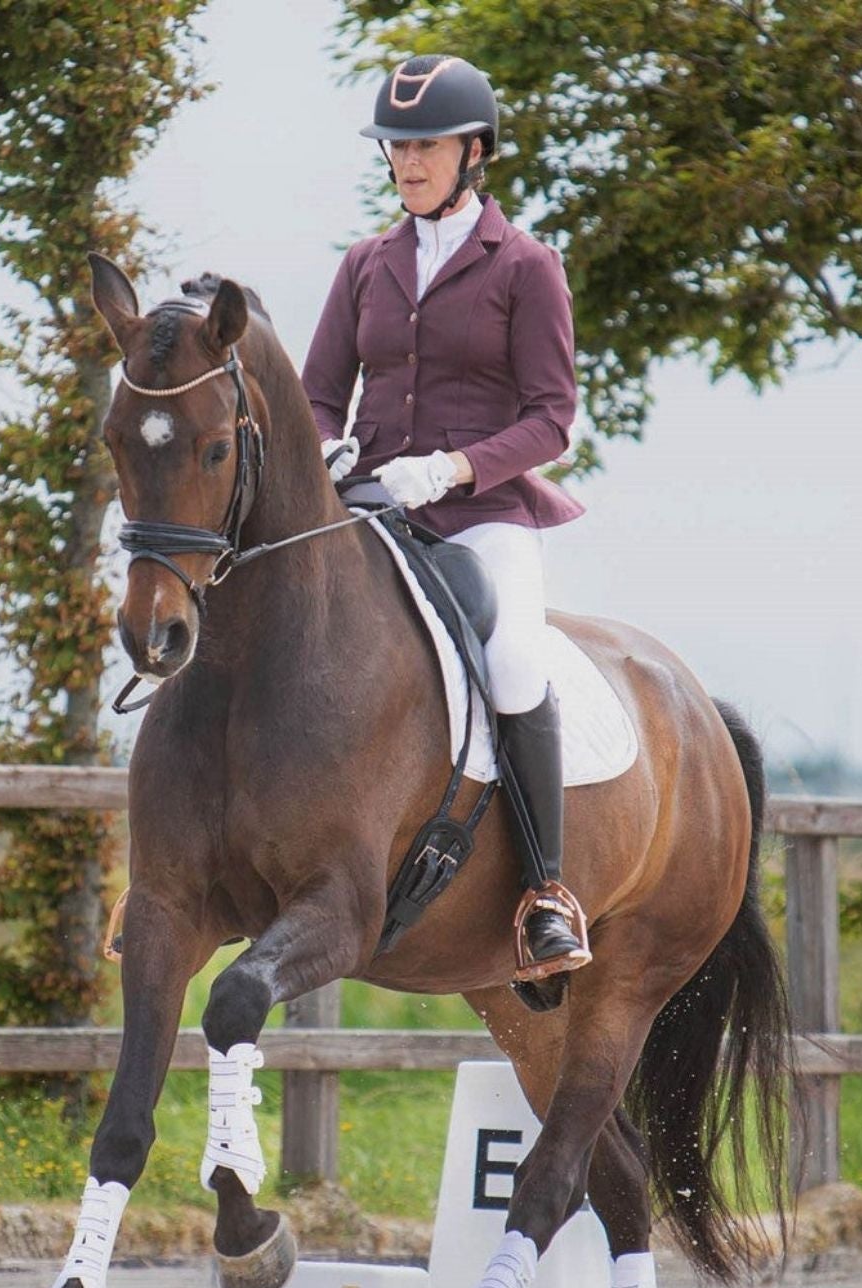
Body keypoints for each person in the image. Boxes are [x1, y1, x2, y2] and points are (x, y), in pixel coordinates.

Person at [302, 53, 591, 983]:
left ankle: (545, 893)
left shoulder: (527, 268)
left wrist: (455, 467)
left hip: (482, 515)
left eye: (425, 145)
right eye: (396, 146)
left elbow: (552, 418)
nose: (407, 162)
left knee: (513, 660)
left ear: (475, 152)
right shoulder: (365, 266)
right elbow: (318, 394)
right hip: (372, 507)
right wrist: (326, 451)